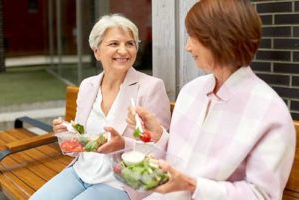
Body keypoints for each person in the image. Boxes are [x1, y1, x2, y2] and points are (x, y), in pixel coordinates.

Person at [106, 0, 296, 199]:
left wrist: (193, 185)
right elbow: (183, 158)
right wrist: (158, 136)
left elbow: (262, 195)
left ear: (219, 39)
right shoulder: (192, 91)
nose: (187, 47)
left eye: (192, 37)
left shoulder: (270, 112)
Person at [30, 14, 171, 200]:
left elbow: (162, 148)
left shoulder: (150, 87)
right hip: (81, 171)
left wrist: (124, 144)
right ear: (96, 51)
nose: (124, 51)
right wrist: (66, 133)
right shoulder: (88, 86)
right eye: (114, 44)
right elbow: (79, 143)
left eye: (130, 43)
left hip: (121, 182)